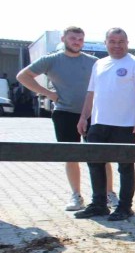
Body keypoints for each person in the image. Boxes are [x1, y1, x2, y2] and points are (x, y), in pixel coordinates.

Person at [16, 26, 116, 211]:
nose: (76, 42)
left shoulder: (94, 62)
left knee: (102, 155)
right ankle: (76, 196)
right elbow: (23, 76)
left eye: (80, 39)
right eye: (72, 38)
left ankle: (109, 194)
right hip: (64, 114)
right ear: (64, 39)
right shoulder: (51, 60)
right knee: (71, 155)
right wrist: (48, 94)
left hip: (93, 115)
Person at [75, 28, 135, 221]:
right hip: (98, 124)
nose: (117, 45)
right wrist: (84, 117)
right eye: (112, 41)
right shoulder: (99, 64)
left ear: (127, 43)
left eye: (121, 41)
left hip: (125, 125)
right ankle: (99, 204)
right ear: (106, 43)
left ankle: (125, 207)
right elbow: (91, 93)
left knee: (125, 166)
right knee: (95, 164)